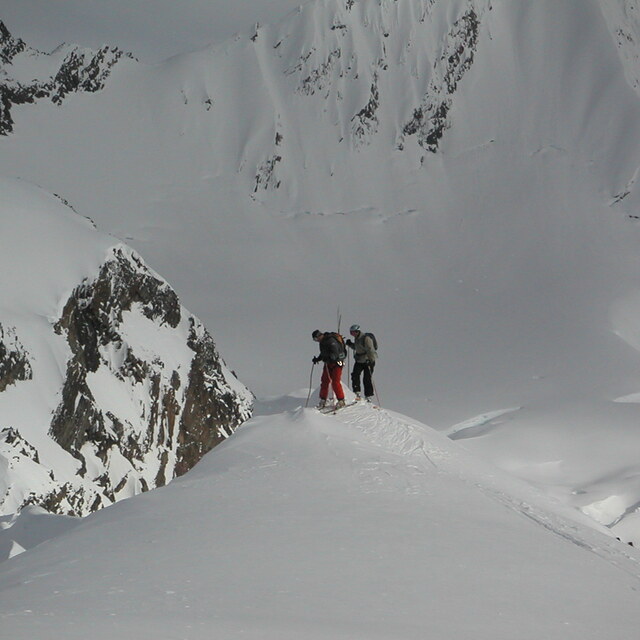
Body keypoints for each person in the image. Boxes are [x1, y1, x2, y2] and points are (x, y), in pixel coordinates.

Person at [312, 329, 346, 409]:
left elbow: (335, 353)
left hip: (337, 363)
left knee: (335, 382)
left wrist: (329, 358)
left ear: (319, 336)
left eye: (316, 339)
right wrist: (318, 359)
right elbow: (323, 353)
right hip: (328, 363)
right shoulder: (322, 342)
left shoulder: (330, 340)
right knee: (324, 381)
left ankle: (341, 400)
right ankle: (323, 399)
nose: (316, 341)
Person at [345, 324, 377, 402]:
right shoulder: (357, 338)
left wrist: (371, 360)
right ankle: (357, 392)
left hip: (367, 361)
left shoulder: (366, 338)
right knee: (355, 375)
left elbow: (371, 350)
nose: (352, 334)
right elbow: (357, 348)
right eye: (351, 333)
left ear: (357, 331)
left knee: (367, 378)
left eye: (353, 332)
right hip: (359, 360)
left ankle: (368, 395)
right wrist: (350, 344)